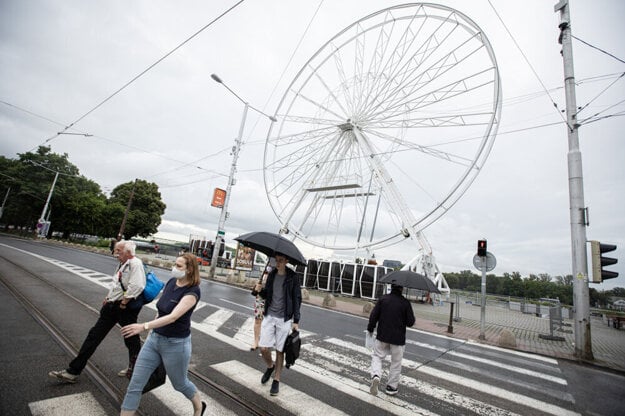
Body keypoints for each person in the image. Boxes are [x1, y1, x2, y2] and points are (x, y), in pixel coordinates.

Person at [119, 253, 205, 416]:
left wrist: (143, 326)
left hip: (176, 344)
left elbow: (173, 317)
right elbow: (163, 310)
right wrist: (151, 331)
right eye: (175, 264)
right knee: (135, 385)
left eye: (179, 266)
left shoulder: (193, 292)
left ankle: (199, 407)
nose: (175, 268)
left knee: (180, 384)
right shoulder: (172, 282)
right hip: (154, 340)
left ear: (190, 270)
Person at [49, 240, 146, 383]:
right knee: (94, 336)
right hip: (112, 306)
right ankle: (73, 371)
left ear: (128, 252)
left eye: (119, 251)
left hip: (124, 308)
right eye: (115, 250)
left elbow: (137, 285)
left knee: (131, 340)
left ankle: (137, 369)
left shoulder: (135, 263)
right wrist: (108, 297)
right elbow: (117, 284)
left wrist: (124, 302)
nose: (115, 253)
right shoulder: (123, 263)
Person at [256, 254, 302, 396]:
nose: (278, 263)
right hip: (269, 315)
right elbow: (267, 294)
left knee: (280, 350)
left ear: (287, 261)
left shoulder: (292, 277)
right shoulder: (272, 274)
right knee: (263, 348)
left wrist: (296, 320)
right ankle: (270, 366)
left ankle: (276, 380)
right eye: (277, 260)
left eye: (281, 261)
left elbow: (297, 299)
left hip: (284, 318)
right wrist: (259, 290)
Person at [367, 283, 415, 396]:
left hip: (382, 335)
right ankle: (391, 387)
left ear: (391, 287)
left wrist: (370, 328)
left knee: (377, 356)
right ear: (402, 288)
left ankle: (376, 375)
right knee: (396, 362)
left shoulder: (383, 299)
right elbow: (410, 322)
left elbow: (374, 315)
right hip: (398, 339)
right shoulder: (405, 303)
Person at [250, 270, 269, 351]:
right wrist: (256, 288)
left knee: (269, 323)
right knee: (258, 321)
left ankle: (266, 342)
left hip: (271, 301)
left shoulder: (277, 274)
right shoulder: (264, 273)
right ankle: (256, 341)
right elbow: (255, 290)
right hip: (260, 300)